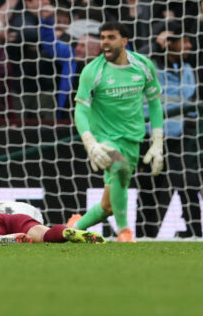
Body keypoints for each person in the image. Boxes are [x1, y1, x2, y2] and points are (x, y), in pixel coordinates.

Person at [67, 21, 164, 243]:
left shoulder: (143, 66)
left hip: (133, 139)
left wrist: (157, 141)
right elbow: (80, 110)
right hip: (105, 140)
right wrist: (90, 142)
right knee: (119, 167)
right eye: (102, 38)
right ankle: (124, 231)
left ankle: (74, 226)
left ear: (124, 40)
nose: (105, 43)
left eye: (111, 37)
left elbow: (155, 103)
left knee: (108, 205)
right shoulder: (93, 71)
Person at [0, 200, 104, 244]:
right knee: (44, 235)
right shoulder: (27, 208)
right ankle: (64, 232)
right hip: (24, 216)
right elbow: (39, 223)